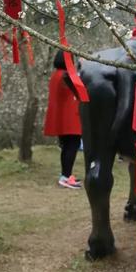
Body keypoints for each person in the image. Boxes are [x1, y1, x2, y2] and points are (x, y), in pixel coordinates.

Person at [43, 50, 82, 189]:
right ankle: (65, 177)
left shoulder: (56, 75)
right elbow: (81, 90)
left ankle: (66, 175)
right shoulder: (66, 76)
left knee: (66, 147)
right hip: (70, 118)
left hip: (61, 117)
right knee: (72, 146)